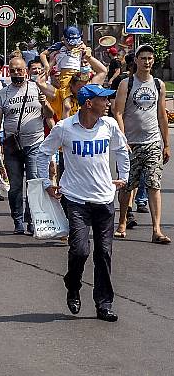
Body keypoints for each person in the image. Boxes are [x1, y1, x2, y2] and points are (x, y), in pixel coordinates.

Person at [36, 84, 129, 322]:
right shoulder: (65, 128)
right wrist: (46, 182)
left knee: (104, 253)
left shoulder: (108, 125)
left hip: (105, 199)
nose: (108, 103)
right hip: (75, 199)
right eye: (103, 99)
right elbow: (44, 152)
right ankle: (73, 284)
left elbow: (121, 149)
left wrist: (124, 177)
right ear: (89, 103)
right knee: (80, 250)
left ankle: (104, 304)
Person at [112, 44, 170, 243]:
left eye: (150, 59)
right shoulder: (126, 84)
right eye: (143, 58)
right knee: (127, 186)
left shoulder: (158, 85)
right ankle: (121, 222)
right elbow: (117, 112)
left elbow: (162, 115)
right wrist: (123, 139)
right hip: (131, 143)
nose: (147, 62)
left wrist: (166, 143)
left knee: (154, 184)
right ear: (135, 61)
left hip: (153, 141)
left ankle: (156, 230)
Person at [0, 57, 48, 235]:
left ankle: (33, 220)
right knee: (15, 186)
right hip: (12, 146)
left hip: (35, 143)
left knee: (34, 183)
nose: (17, 73)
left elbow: (50, 115)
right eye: (13, 70)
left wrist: (44, 103)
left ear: (26, 70)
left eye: (20, 70)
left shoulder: (37, 88)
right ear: (8, 72)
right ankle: (18, 221)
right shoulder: (4, 93)